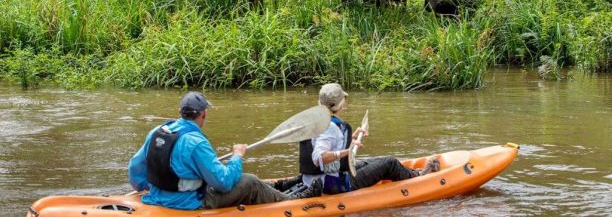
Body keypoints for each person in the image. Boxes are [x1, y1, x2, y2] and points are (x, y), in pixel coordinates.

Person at [128, 91, 322, 210]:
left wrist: (145, 188)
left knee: (238, 176)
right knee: (249, 182)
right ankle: (292, 199)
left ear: (180, 112)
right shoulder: (196, 143)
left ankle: (280, 185)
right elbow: (223, 183)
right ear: (204, 113)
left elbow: (135, 168)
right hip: (187, 203)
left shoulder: (158, 131)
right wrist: (237, 157)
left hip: (157, 196)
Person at [295, 83, 440, 194]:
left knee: (366, 163)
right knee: (389, 162)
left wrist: (352, 138)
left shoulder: (317, 120)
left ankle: (412, 172)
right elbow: (319, 157)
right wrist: (348, 151)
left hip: (314, 179)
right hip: (331, 183)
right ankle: (420, 175)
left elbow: (324, 142)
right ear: (340, 104)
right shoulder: (331, 127)